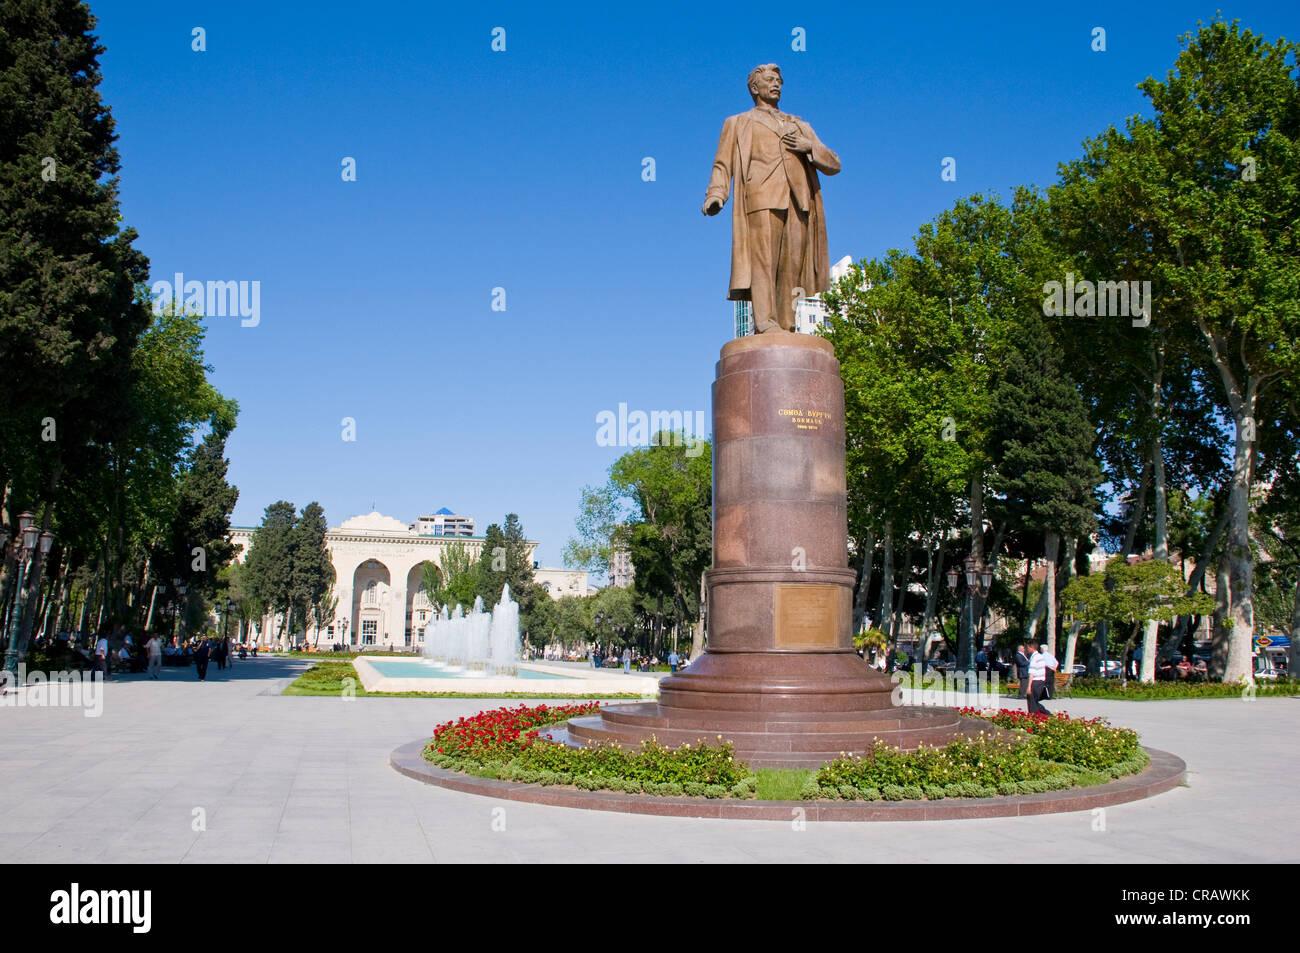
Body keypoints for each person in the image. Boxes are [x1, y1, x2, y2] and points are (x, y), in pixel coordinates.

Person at [702, 63, 841, 334]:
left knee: (792, 265)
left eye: (779, 80)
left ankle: (787, 325)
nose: (776, 84)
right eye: (769, 80)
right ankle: (765, 323)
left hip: (798, 199)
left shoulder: (799, 124)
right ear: (755, 88)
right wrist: (716, 194)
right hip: (760, 196)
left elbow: (834, 164)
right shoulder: (738, 122)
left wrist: (809, 147)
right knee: (764, 261)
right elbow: (722, 164)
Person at [1026, 642, 1059, 715]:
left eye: (1028, 647)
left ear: (1031, 647)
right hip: (1040, 681)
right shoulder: (1040, 656)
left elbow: (1032, 672)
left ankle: (1041, 714)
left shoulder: (1035, 657)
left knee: (1032, 701)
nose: (1027, 649)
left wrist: (1029, 686)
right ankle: (1045, 714)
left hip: (1035, 681)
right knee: (1034, 701)